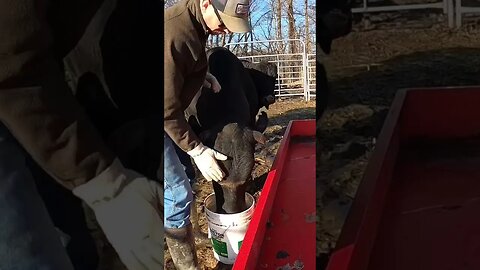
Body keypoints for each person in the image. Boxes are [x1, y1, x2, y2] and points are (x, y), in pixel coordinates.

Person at [0, 1, 164, 269]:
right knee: (30, 252)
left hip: (53, 73)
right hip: (18, 76)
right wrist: (106, 186)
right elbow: (8, 54)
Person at [164, 0, 252, 268]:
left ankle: (191, 230)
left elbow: (175, 70)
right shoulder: (176, 32)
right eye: (224, 22)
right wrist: (197, 149)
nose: (225, 30)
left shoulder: (197, 24)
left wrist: (202, 74)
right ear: (205, 3)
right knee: (177, 192)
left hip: (167, 115)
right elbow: (165, 108)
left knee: (187, 177)